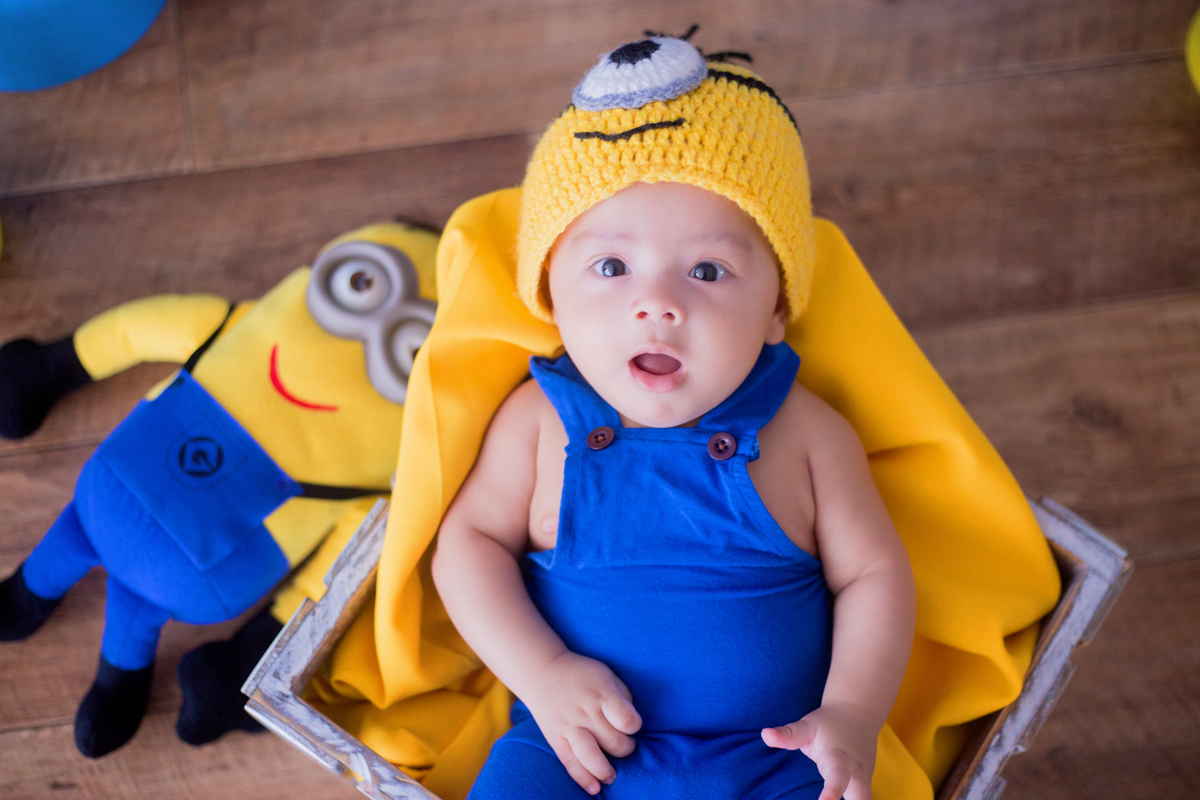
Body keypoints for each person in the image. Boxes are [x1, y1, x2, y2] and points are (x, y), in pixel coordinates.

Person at [431, 34, 916, 800]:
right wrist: (543, 673)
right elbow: (467, 546)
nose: (656, 303)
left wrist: (853, 712)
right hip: (574, 753)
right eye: (611, 267)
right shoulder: (538, 424)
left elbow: (875, 574)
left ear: (777, 309)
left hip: (775, 758)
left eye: (708, 270)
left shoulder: (808, 434)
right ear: (551, 291)